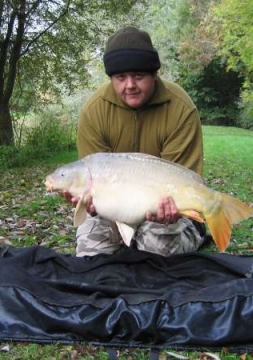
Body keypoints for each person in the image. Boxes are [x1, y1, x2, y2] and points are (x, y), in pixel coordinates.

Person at [69, 26, 205, 257]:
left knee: (157, 251)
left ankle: (197, 230)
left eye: (138, 76)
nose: (129, 85)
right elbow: (92, 183)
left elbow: (183, 178)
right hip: (111, 210)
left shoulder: (180, 108)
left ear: (154, 74)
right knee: (91, 256)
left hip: (168, 211)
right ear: (112, 78)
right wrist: (89, 203)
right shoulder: (94, 111)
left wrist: (171, 212)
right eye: (120, 77)